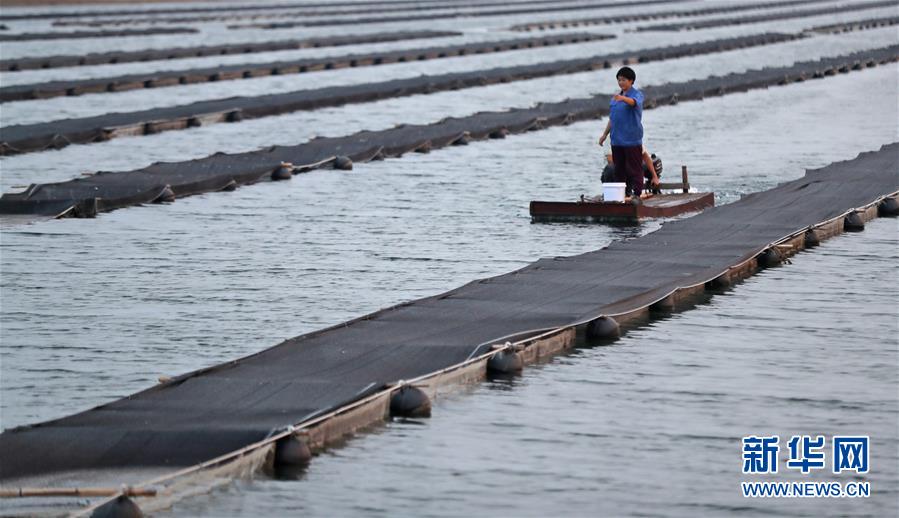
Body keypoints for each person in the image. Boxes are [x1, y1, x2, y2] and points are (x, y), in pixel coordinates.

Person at [597, 66, 658, 201]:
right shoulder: (615, 99)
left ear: (631, 81)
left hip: (631, 139)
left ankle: (636, 194)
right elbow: (612, 119)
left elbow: (633, 103)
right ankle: (622, 194)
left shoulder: (636, 95)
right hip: (616, 140)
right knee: (619, 169)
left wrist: (623, 98)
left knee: (635, 168)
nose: (621, 82)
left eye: (623, 80)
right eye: (619, 80)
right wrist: (604, 135)